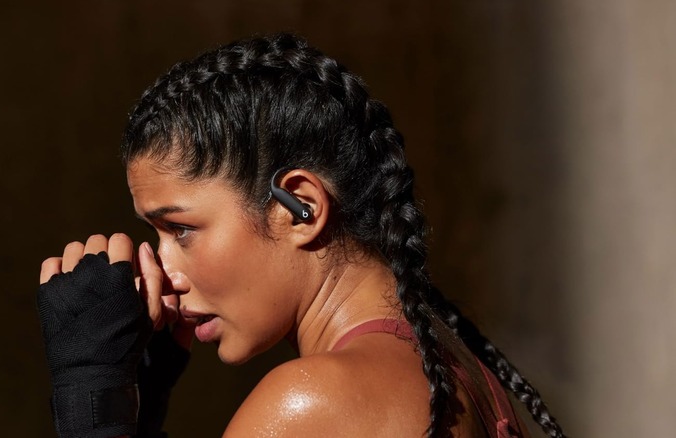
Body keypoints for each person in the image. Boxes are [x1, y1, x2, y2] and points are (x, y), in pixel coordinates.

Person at [38, 33, 566, 437]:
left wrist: (91, 390)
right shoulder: (450, 367)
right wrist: (139, 402)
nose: (165, 273)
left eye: (181, 229)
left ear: (301, 208)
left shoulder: (314, 402)